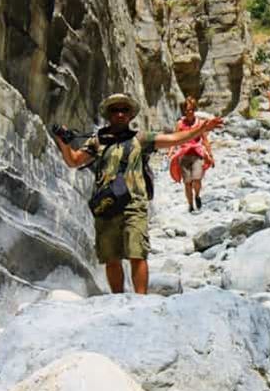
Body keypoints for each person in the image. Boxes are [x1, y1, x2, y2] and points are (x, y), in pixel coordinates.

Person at [53, 93, 222, 295]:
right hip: (106, 203)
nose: (120, 114)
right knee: (111, 257)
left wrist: (201, 129)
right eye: (115, 110)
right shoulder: (97, 140)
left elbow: (173, 139)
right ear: (109, 114)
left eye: (124, 110)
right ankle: (118, 299)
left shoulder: (140, 138)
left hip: (135, 203)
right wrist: (64, 142)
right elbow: (73, 161)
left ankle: (141, 301)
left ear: (131, 115)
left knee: (137, 253)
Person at [167, 96, 215, 212]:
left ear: (194, 110)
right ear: (184, 111)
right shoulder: (180, 124)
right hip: (184, 155)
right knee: (187, 183)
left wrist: (210, 155)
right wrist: (170, 151)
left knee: (197, 179)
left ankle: (197, 195)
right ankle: (190, 205)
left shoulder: (200, 123)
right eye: (187, 110)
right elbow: (175, 138)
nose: (190, 112)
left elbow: (205, 140)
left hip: (197, 154)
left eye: (192, 110)